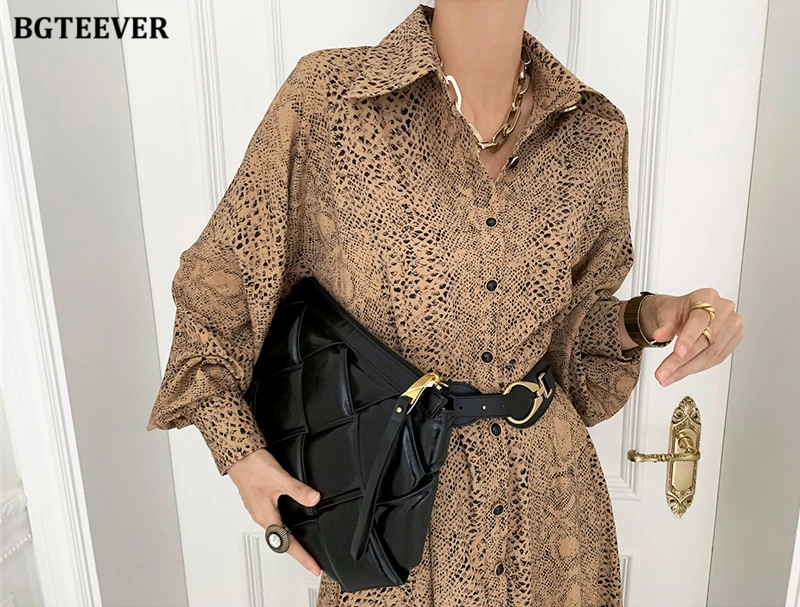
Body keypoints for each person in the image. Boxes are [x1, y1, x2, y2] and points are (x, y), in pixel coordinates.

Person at [146, 2, 744, 605]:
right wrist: (241, 455)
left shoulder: (592, 132)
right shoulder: (331, 102)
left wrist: (647, 318)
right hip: (393, 518)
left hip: (554, 519)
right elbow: (217, 292)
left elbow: (569, 342)